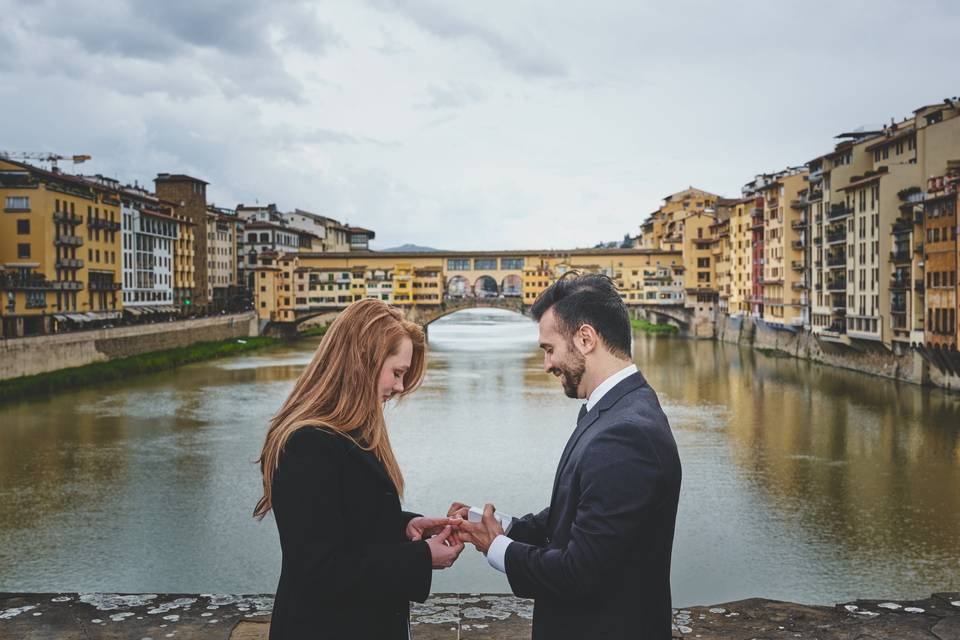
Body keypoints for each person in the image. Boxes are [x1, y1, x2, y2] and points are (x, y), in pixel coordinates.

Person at [453, 273, 682, 639]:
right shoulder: (616, 409)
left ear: (585, 339)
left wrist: (496, 546)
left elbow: (579, 573)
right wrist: (499, 524)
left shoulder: (626, 435)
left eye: (548, 349)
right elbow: (578, 512)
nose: (546, 364)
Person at [254, 299, 464, 639]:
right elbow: (319, 568)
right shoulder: (306, 442)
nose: (399, 387)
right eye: (397, 372)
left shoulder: (346, 433)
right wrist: (422, 558)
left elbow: (345, 520)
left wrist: (406, 525)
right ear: (363, 361)